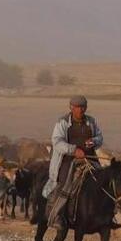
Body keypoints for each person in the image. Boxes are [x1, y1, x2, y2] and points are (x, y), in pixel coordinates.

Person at [43, 95, 104, 230]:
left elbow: (100, 137)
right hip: (68, 160)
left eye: (83, 107)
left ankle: (106, 214)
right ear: (71, 107)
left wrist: (94, 141)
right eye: (77, 107)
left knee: (103, 181)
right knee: (63, 183)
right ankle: (56, 215)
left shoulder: (91, 121)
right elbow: (57, 142)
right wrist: (73, 150)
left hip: (89, 158)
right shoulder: (63, 122)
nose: (80, 110)